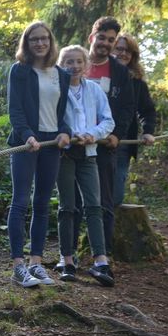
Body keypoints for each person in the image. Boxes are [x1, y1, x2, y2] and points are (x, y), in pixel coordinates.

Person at [7, 21, 71, 288]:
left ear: (51, 41)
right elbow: (16, 109)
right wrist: (27, 134)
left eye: (44, 38)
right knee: (20, 201)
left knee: (43, 203)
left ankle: (36, 263)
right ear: (27, 42)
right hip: (27, 142)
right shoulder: (19, 71)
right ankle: (18, 266)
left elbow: (63, 112)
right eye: (34, 39)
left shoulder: (61, 74)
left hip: (51, 144)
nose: (40, 43)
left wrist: (65, 131)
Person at [70, 17, 135, 257]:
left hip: (104, 146)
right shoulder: (74, 63)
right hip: (73, 147)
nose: (105, 43)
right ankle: (70, 254)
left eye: (110, 40)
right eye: (101, 38)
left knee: (104, 201)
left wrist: (117, 134)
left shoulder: (119, 71)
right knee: (72, 202)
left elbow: (128, 106)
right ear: (91, 37)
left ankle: (103, 255)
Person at [56, 45, 116, 286]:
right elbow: (52, 118)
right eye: (69, 62)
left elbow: (108, 120)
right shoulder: (57, 90)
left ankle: (100, 259)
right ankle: (67, 258)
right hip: (65, 154)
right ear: (61, 65)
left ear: (86, 64)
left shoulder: (94, 90)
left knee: (94, 205)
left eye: (79, 61)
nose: (74, 66)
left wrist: (92, 133)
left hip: (89, 153)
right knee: (68, 207)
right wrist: (68, 134)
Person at [112, 33, 156, 206]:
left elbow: (147, 110)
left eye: (128, 51)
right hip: (94, 141)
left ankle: (110, 232)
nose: (123, 54)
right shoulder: (99, 76)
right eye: (119, 49)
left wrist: (148, 132)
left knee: (115, 195)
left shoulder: (137, 83)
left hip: (123, 143)